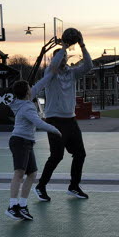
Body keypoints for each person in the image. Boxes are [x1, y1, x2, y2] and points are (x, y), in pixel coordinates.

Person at [35, 33, 93, 201]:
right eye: (61, 56)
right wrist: (64, 47)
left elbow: (89, 65)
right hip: (55, 120)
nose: (63, 58)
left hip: (70, 120)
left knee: (80, 154)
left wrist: (82, 45)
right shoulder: (50, 73)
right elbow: (53, 64)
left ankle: (74, 186)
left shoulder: (72, 73)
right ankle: (40, 186)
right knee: (56, 156)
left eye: (65, 57)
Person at [5, 74, 62, 221]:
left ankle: (22, 205)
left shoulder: (20, 102)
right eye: (30, 88)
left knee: (32, 173)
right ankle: (12, 206)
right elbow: (39, 123)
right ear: (27, 92)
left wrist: (50, 74)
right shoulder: (27, 106)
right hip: (20, 141)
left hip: (26, 141)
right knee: (19, 173)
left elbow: (39, 84)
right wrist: (55, 130)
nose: (32, 89)